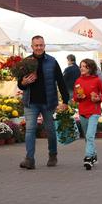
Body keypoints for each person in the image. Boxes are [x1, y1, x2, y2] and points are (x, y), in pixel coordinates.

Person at [17, 35, 70, 170]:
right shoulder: (26, 62)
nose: (39, 48)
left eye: (41, 45)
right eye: (36, 45)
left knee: (51, 131)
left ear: (44, 46)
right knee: (30, 130)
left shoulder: (52, 62)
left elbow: (61, 81)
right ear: (32, 46)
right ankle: (30, 159)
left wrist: (65, 100)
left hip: (48, 102)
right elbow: (20, 84)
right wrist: (24, 82)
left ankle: (53, 155)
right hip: (31, 102)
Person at [73, 58, 102, 170]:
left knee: (89, 135)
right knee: (87, 137)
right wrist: (78, 97)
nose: (82, 68)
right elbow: (75, 97)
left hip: (94, 111)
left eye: (84, 66)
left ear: (90, 68)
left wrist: (98, 98)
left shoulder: (97, 80)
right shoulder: (78, 81)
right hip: (83, 112)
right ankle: (93, 155)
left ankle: (88, 158)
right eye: (81, 66)